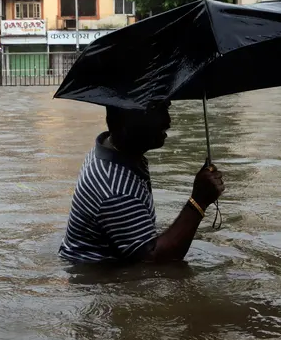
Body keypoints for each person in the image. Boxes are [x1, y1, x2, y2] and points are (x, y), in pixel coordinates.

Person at [59, 103, 225, 263]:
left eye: (166, 107)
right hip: (98, 278)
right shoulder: (116, 189)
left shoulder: (111, 150)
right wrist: (198, 202)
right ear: (127, 118)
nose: (168, 121)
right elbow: (155, 261)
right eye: (155, 110)